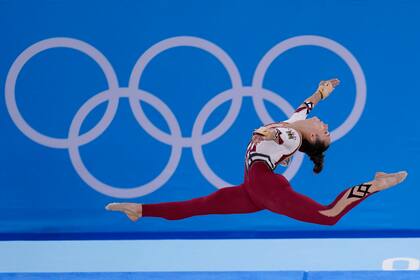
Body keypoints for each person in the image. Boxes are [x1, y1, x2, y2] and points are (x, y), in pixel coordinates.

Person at [105, 78, 407, 225]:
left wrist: (266, 132)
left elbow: (279, 134)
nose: (326, 125)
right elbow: (304, 107)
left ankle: (376, 183)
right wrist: (321, 92)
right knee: (197, 206)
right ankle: (140, 209)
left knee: (328, 215)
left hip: (265, 185)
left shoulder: (290, 135)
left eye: (326, 131)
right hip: (253, 188)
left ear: (312, 136)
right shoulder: (296, 124)